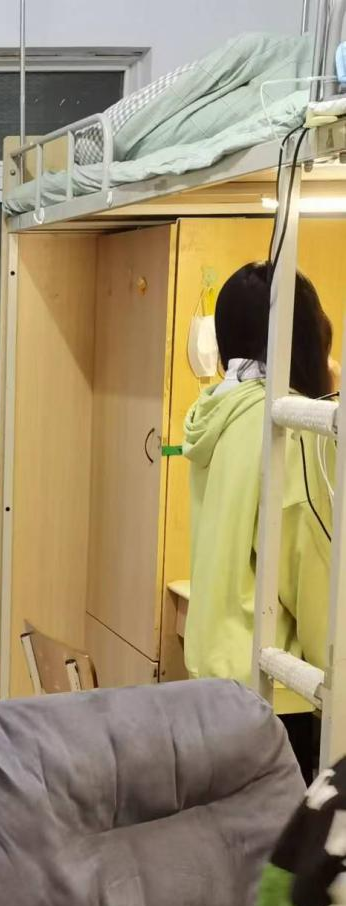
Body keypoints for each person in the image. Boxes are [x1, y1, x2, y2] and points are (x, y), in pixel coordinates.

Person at [183, 261, 335, 781]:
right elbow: (312, 578)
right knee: (282, 836)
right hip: (272, 693)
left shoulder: (216, 412)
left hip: (210, 682)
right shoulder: (289, 426)